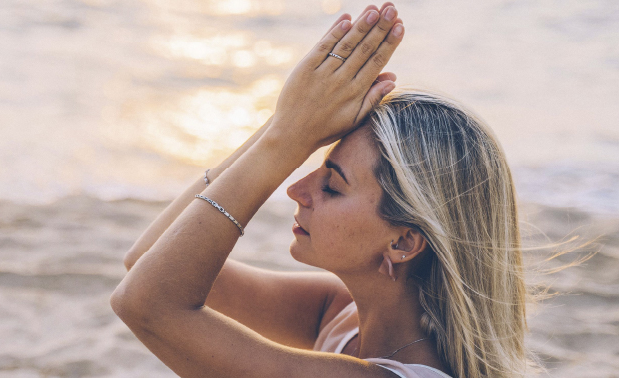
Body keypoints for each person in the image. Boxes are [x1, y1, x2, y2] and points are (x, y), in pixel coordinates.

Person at [113, 3, 532, 377]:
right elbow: (149, 260)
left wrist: (286, 139)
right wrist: (287, 126)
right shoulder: (343, 317)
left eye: (332, 186)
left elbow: (147, 304)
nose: (297, 188)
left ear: (404, 241)